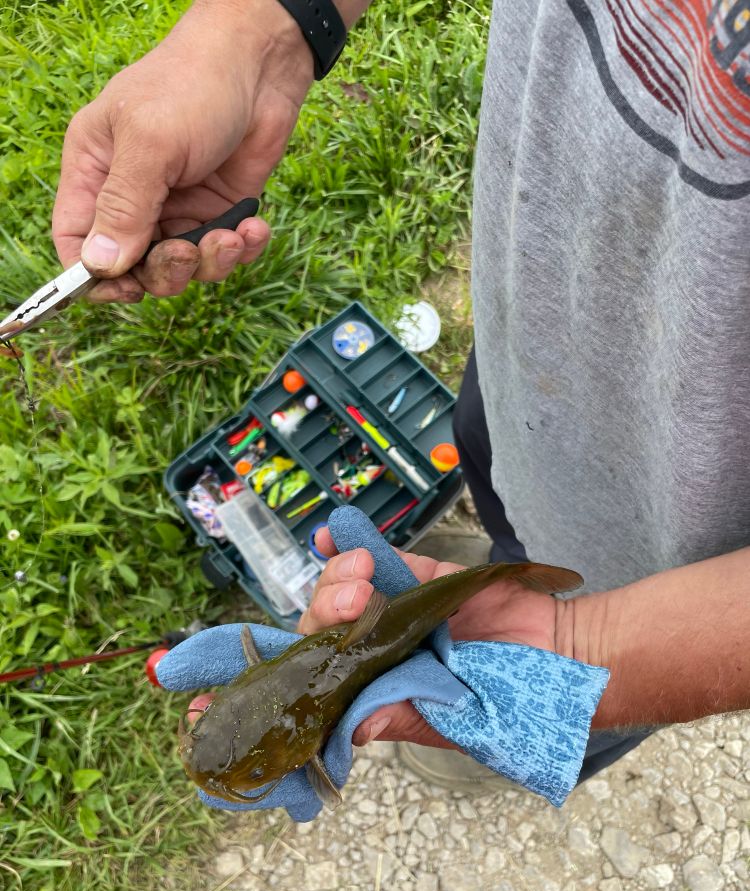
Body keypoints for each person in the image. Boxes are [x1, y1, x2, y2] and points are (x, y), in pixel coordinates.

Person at [55, 0, 749, 779]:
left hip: (684, 565)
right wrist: (267, 31)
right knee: (497, 477)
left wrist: (587, 646)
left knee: (541, 688)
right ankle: (502, 563)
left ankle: (524, 669)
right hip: (534, 354)